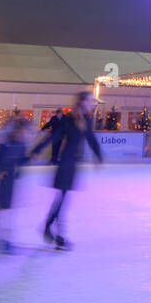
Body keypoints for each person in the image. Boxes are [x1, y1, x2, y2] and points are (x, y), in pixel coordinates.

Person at [39, 91, 102, 251]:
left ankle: (51, 228)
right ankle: (56, 234)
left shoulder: (86, 119)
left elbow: (91, 139)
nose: (91, 103)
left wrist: (98, 155)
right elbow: (54, 136)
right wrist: (36, 150)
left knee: (62, 198)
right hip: (66, 162)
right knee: (62, 199)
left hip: (73, 163)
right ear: (83, 102)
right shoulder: (69, 119)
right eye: (89, 101)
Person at [0, 117, 31, 253]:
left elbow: (19, 161)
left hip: (12, 180)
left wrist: (29, 158)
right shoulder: (7, 143)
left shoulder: (20, 144)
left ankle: (2, 238)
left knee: (7, 210)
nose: (27, 134)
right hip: (5, 180)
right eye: (25, 131)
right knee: (4, 210)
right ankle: (0, 239)